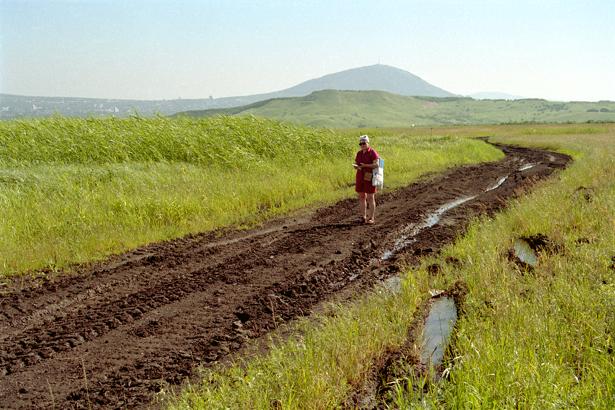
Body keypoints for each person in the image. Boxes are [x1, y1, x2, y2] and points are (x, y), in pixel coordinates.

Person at [354, 135, 380, 224]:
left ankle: (371, 218)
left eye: (364, 143)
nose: (362, 145)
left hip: (370, 176)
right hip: (360, 176)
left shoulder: (372, 152)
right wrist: (357, 167)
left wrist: (365, 165)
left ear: (368, 143)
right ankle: (363, 217)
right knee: (361, 197)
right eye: (360, 143)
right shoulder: (359, 153)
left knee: (370, 197)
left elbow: (376, 165)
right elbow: (357, 164)